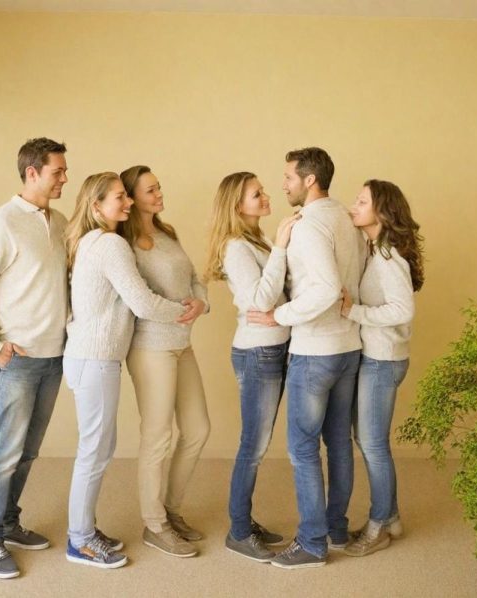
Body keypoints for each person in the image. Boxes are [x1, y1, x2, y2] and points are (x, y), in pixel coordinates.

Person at [62, 172, 189, 569]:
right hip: (95, 359)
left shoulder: (92, 241)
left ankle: (84, 530)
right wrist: (184, 311)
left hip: (92, 358)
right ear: (96, 205)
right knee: (94, 452)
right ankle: (80, 540)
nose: (128, 202)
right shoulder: (110, 244)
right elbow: (143, 303)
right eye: (120, 197)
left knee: (99, 448)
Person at [0, 137, 69, 579]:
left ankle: (7, 522)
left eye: (64, 170)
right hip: (18, 360)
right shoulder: (0, 222)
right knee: (5, 453)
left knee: (28, 452)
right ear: (32, 173)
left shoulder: (60, 222)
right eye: (58, 171)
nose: (65, 178)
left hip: (54, 356)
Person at [247, 147, 364, 569]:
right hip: (348, 347)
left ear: (309, 179)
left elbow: (327, 289)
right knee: (338, 442)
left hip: (315, 352)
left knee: (302, 448)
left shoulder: (309, 225)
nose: (283, 185)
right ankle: (336, 529)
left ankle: (313, 544)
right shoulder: (346, 218)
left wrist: (279, 315)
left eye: (289, 177)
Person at [204, 172, 300, 562]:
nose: (265, 196)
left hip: (275, 347)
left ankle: (245, 523)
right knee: (253, 446)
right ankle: (239, 532)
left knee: (257, 444)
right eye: (256, 194)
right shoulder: (236, 248)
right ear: (237, 205)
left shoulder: (256, 240)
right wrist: (281, 247)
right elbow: (261, 301)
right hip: (258, 353)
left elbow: (279, 295)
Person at [119, 165, 210, 558]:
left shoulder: (167, 233)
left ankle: (170, 510)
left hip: (181, 344)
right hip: (150, 346)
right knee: (157, 436)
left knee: (198, 429)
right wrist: (181, 311)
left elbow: (195, 278)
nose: (159, 194)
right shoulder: (124, 244)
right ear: (132, 197)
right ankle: (154, 524)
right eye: (150, 190)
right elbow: (141, 302)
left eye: (159, 187)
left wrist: (201, 302)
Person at [340, 180, 424, 557]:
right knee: (368, 441)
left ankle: (379, 525)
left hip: (383, 360)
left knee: (373, 444)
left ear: (382, 212)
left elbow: (403, 310)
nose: (354, 206)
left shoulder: (389, 257)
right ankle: (390, 518)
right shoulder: (375, 251)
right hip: (377, 357)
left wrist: (353, 311)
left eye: (362, 202)